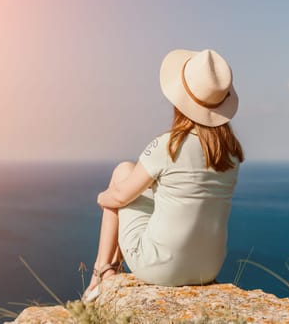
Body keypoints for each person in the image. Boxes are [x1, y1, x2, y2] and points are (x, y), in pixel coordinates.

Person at [81, 48, 244, 303]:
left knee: (123, 170)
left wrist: (101, 197)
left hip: (160, 268)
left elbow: (118, 197)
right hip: (208, 268)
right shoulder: (232, 154)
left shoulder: (168, 146)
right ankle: (104, 272)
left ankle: (101, 272)